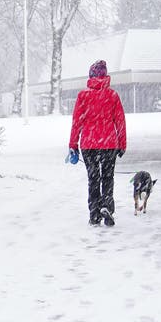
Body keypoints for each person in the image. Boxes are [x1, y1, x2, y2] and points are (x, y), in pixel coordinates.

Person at [67, 59, 127, 226]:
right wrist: (122, 144)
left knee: (93, 179)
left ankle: (94, 213)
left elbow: (76, 122)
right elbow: (120, 121)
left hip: (89, 144)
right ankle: (107, 205)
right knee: (107, 178)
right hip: (109, 144)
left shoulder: (83, 96)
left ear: (91, 75)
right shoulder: (112, 95)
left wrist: (73, 144)